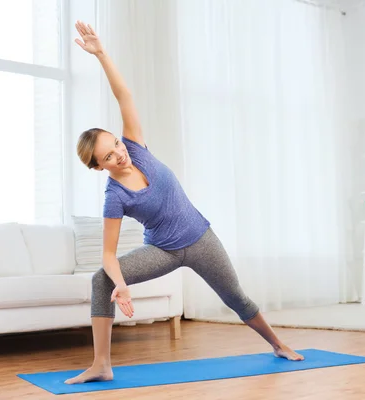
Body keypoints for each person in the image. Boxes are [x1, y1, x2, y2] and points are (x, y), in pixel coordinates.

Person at [66, 20, 304, 385]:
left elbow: (124, 96)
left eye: (115, 144)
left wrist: (101, 54)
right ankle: (101, 364)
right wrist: (121, 285)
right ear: (99, 167)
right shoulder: (114, 197)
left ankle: (278, 344)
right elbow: (109, 256)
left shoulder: (136, 148)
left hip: (200, 239)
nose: (119, 155)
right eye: (109, 157)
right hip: (162, 250)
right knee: (102, 280)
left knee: (236, 297)